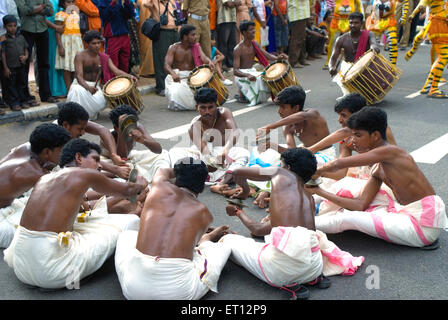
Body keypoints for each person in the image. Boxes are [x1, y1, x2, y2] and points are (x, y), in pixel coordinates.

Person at [219, 148, 364, 300]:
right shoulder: (308, 198)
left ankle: (289, 282)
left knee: (229, 241)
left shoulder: (278, 173)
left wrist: (239, 206)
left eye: (281, 164)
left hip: (282, 272)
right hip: (314, 267)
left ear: (287, 167)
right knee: (273, 244)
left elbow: (236, 172)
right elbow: (267, 230)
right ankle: (310, 278)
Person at [4, 138, 147, 289]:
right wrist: (141, 183)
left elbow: (85, 208)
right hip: (51, 271)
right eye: (96, 159)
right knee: (129, 221)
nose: (99, 166)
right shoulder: (85, 175)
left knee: (92, 221)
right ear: (78, 157)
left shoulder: (45, 178)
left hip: (21, 267)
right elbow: (129, 191)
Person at [307, 107, 448, 248]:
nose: (352, 140)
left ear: (375, 136)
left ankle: (299, 224)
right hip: (405, 213)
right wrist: (319, 191)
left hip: (423, 227)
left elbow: (338, 163)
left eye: (358, 135)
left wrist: (316, 170)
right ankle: (303, 212)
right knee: (350, 194)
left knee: (348, 218)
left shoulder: (391, 152)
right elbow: (360, 205)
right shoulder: (377, 168)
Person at [115, 158, 232, 299]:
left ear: (175, 179)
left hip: (134, 289)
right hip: (177, 293)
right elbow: (189, 245)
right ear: (202, 187)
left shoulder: (157, 187)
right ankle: (209, 239)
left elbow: (163, 170)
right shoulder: (205, 214)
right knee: (222, 248)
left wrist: (183, 170)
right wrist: (207, 237)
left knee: (126, 235)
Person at [0, 123, 71, 248]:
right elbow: (68, 192)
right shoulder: (34, 173)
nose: (65, 154)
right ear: (47, 152)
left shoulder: (26, 147)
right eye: (62, 150)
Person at [168, 87, 250, 186]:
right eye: (203, 108)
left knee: (244, 153)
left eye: (210, 107)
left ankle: (222, 182)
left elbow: (235, 132)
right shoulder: (194, 126)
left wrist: (225, 151)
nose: (207, 111)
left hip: (227, 153)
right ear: (196, 107)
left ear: (216, 105)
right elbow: (205, 153)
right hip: (206, 157)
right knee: (175, 152)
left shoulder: (224, 113)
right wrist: (214, 162)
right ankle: (209, 175)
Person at [307, 93, 397, 181]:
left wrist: (312, 149)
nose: (339, 120)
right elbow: (341, 174)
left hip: (392, 176)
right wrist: (318, 173)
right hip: (373, 177)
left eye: (344, 115)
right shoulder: (347, 140)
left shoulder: (379, 129)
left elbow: (344, 132)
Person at [67, 30, 138, 120]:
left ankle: (89, 113)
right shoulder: (80, 56)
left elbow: (116, 71)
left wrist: (130, 76)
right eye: (93, 43)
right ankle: (78, 117)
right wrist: (88, 87)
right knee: (77, 90)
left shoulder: (104, 57)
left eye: (98, 43)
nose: (97, 45)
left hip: (96, 88)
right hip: (81, 85)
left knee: (103, 100)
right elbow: (79, 76)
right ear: (87, 44)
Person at [104, 104, 172, 184]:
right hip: (110, 161)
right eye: (125, 125)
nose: (130, 128)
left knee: (163, 154)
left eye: (132, 123)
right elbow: (122, 158)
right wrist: (121, 132)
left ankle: (160, 179)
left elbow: (158, 150)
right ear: (116, 128)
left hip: (130, 157)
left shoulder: (137, 126)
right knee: (123, 175)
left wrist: (143, 140)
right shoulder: (109, 136)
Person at [233, 20, 288, 105]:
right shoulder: (238, 49)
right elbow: (235, 71)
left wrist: (277, 58)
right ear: (244, 32)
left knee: (267, 76)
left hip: (252, 71)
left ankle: (243, 94)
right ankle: (241, 94)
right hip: (242, 74)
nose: (254, 31)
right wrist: (247, 75)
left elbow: (268, 56)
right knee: (258, 80)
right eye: (251, 29)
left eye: (253, 29)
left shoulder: (255, 44)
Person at [15, 0, 59, 104]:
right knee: (24, 65)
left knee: (44, 64)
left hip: (42, 29)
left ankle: (46, 95)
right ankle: (25, 96)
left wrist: (35, 9)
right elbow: (24, 10)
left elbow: (50, 11)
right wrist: (41, 7)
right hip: (26, 30)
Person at [164, 24, 214, 111]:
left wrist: (210, 62)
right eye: (193, 35)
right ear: (185, 36)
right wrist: (173, 74)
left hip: (193, 77)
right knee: (176, 93)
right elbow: (166, 65)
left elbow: (204, 58)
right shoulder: (173, 48)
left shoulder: (196, 47)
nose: (196, 37)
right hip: (178, 78)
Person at [328, 12, 380, 97]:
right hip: (348, 69)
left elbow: (373, 43)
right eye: (351, 22)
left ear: (362, 24)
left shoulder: (369, 34)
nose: (353, 25)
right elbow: (333, 57)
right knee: (351, 96)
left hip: (365, 66)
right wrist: (331, 67)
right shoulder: (341, 39)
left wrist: (374, 47)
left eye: (356, 23)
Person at [405, 0, 448, 98]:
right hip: (439, 26)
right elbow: (423, 3)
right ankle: (433, 89)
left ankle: (427, 86)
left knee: (441, 57)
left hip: (441, 25)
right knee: (443, 57)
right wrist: (413, 13)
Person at [142, 0, 179, 97]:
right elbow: (145, 4)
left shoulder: (172, 2)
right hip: (162, 32)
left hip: (174, 31)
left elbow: (176, 15)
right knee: (161, 60)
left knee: (175, 60)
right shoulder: (154, 2)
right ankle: (161, 87)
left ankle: (173, 85)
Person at [322, 0, 362, 70]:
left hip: (350, 21)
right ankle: (329, 62)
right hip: (336, 20)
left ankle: (354, 61)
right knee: (333, 41)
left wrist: (361, 18)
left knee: (353, 41)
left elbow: (360, 6)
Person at [1, 15, 30, 112]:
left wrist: (25, 57)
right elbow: (3, 54)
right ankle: (14, 103)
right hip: (10, 67)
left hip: (21, 65)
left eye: (14, 25)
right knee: (11, 85)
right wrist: (5, 68)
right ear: (5, 27)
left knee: (21, 83)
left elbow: (26, 49)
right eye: (10, 26)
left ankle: (23, 101)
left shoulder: (21, 37)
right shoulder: (3, 39)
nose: (13, 28)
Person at [55, 0, 85, 92]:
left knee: (76, 67)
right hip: (67, 43)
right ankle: (69, 91)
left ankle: (77, 90)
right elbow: (57, 32)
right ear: (63, 4)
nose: (71, 4)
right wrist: (60, 46)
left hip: (76, 43)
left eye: (73, 2)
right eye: (68, 2)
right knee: (67, 68)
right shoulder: (60, 14)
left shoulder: (75, 14)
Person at [365, 0, 407, 65]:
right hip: (375, 22)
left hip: (389, 22)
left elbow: (405, 1)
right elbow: (368, 8)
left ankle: (392, 66)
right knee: (366, 40)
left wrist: (404, 16)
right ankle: (365, 65)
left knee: (393, 42)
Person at [98, 0, 135, 73]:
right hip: (112, 36)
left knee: (125, 63)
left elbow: (130, 15)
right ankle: (112, 82)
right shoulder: (103, 1)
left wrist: (127, 2)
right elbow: (105, 16)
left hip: (124, 34)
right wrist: (113, 3)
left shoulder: (121, 1)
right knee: (112, 63)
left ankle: (125, 82)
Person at [287, 0, 312, 68]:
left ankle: (301, 59)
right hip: (297, 14)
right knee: (297, 38)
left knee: (302, 38)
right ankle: (293, 61)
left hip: (302, 13)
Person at [216, 0, 238, 71]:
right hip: (224, 20)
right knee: (223, 44)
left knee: (232, 43)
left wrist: (234, 3)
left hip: (232, 19)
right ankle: (222, 65)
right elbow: (229, 4)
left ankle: (230, 64)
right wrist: (235, 3)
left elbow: (240, 2)